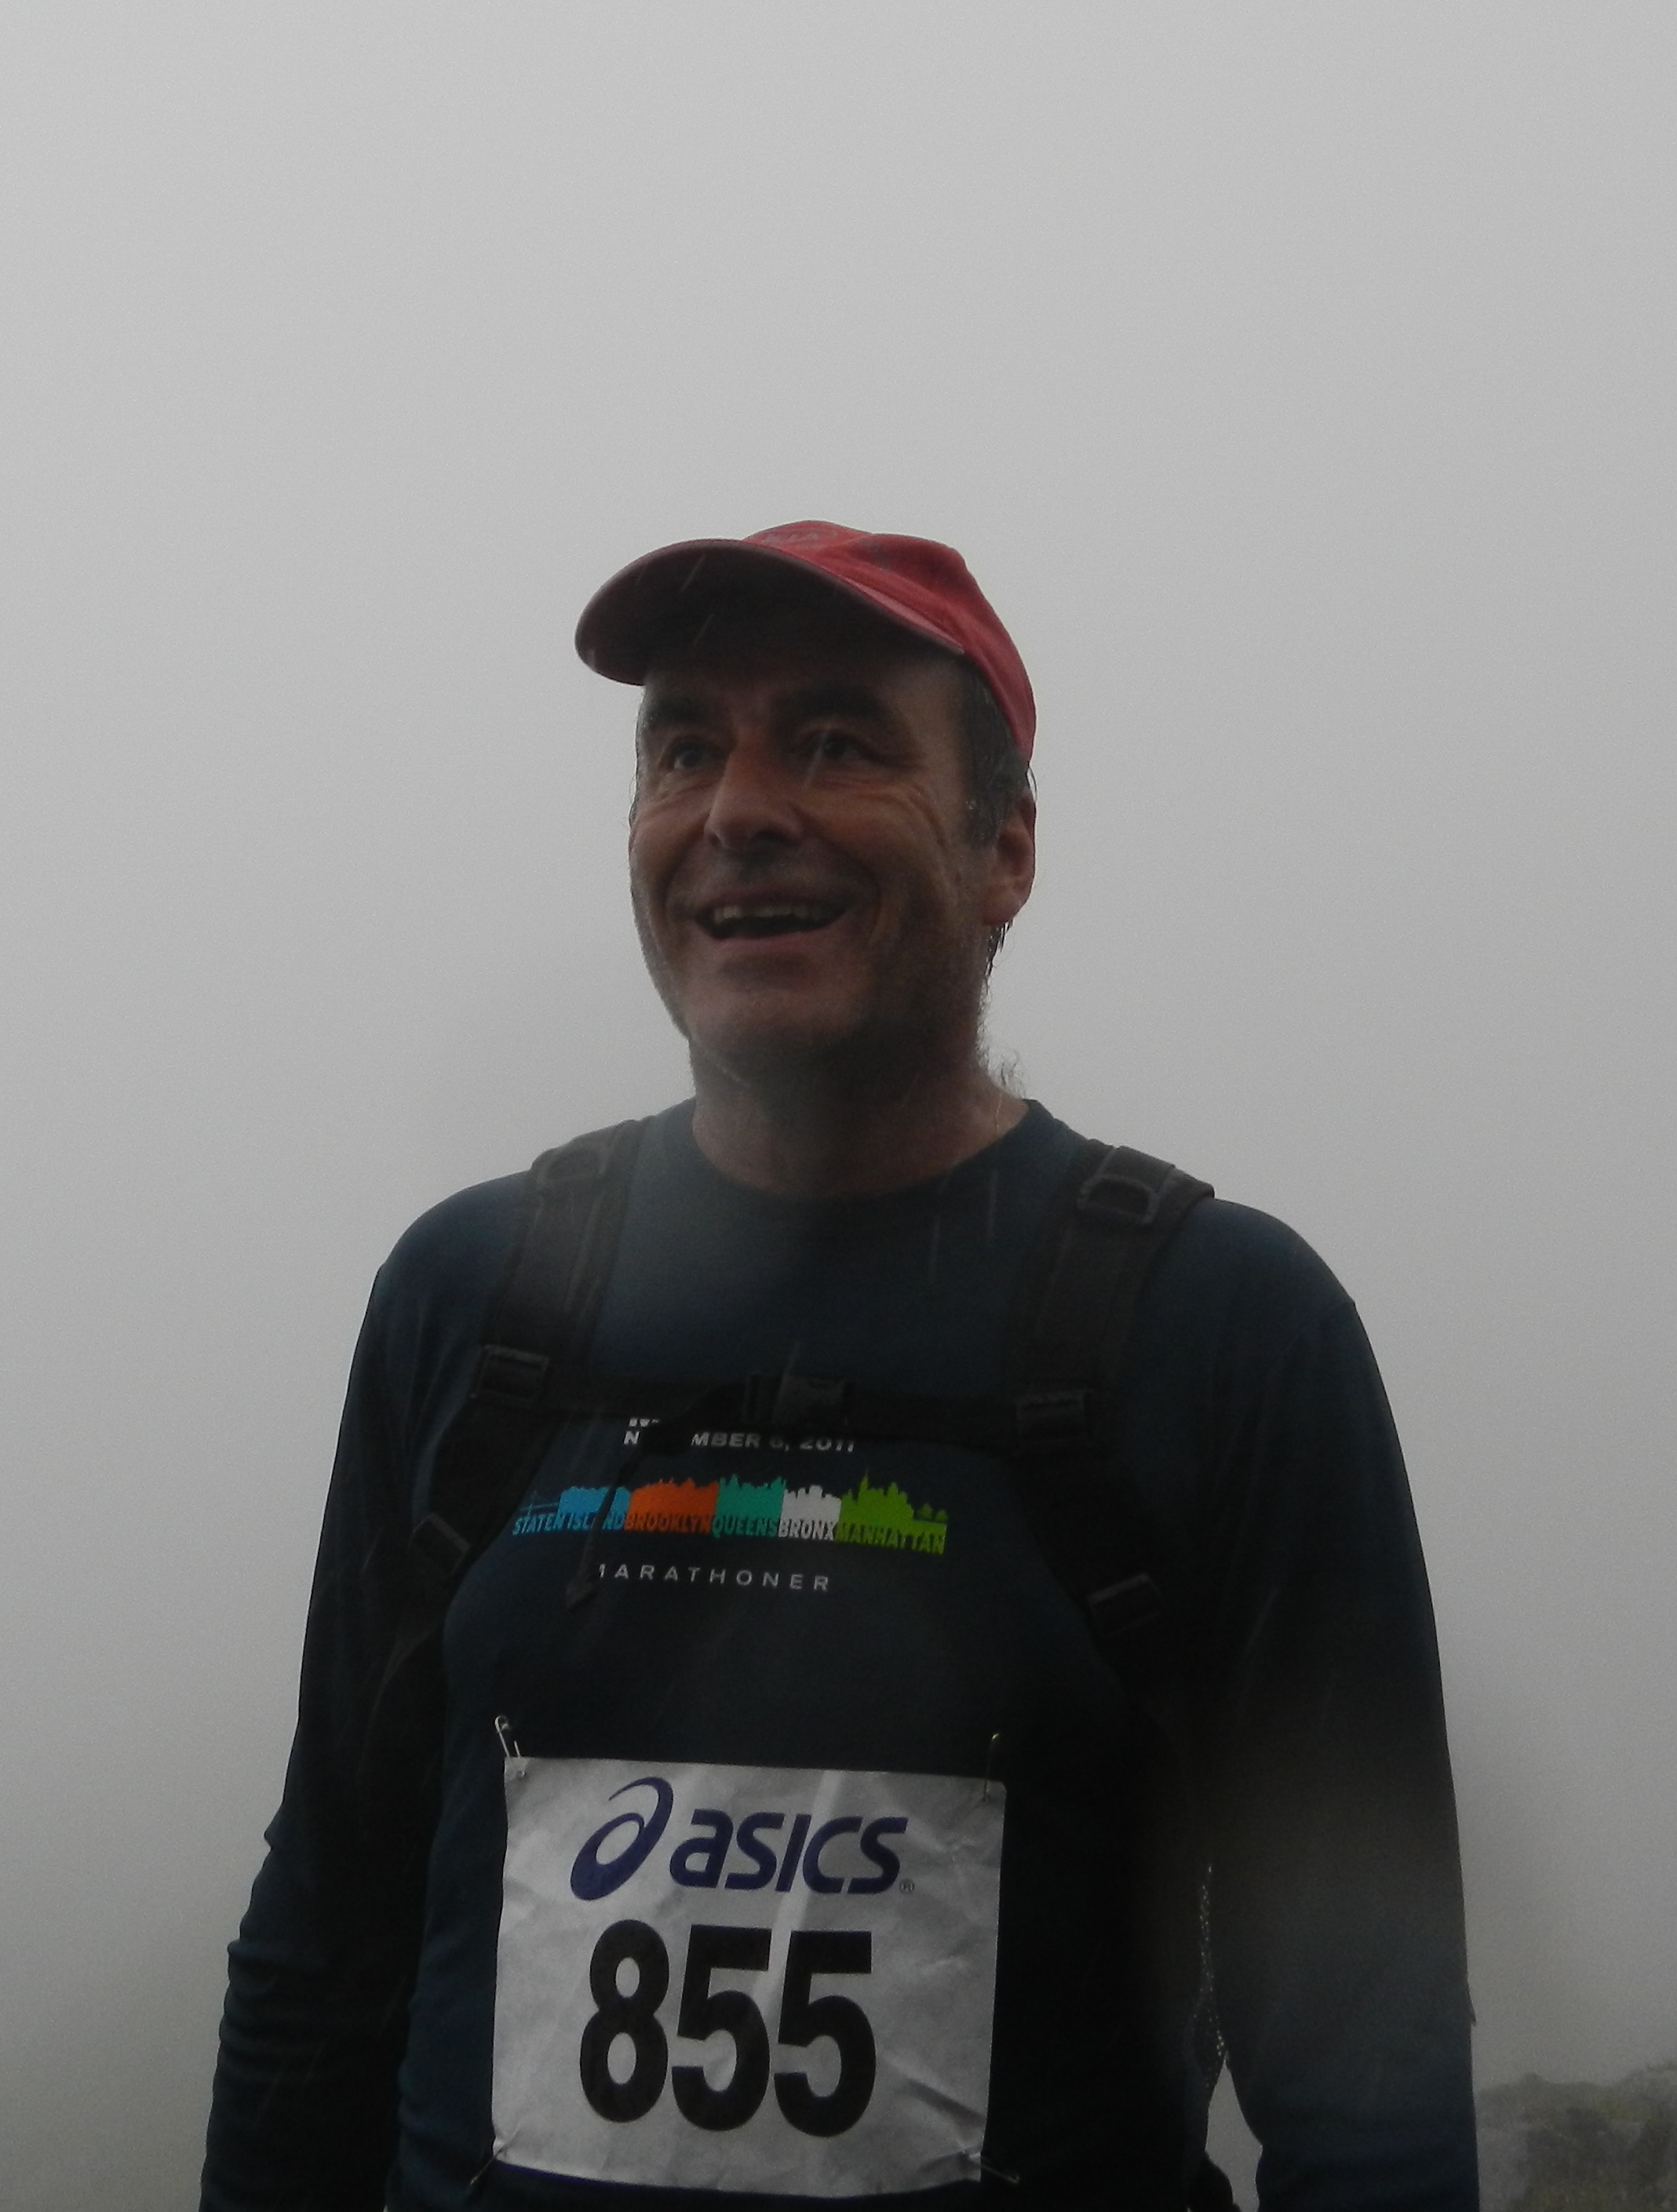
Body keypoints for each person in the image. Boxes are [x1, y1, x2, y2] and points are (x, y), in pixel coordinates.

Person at [202, 523, 1475, 2210]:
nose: (737, 808)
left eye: (833, 742)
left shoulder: (1225, 1331)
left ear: (1005, 847)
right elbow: (325, 1934)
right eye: (683, 751)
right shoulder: (469, 1297)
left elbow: (1366, 2063)